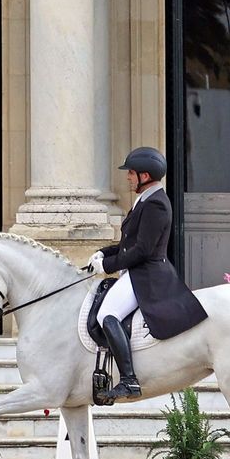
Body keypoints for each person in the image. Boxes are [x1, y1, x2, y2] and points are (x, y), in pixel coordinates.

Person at [86, 147, 208, 402]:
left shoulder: (156, 204)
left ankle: (129, 380)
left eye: (131, 173)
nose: (127, 177)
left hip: (147, 274)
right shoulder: (144, 201)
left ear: (145, 175)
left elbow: (142, 250)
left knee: (107, 315)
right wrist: (102, 252)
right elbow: (128, 244)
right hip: (137, 270)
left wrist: (107, 266)